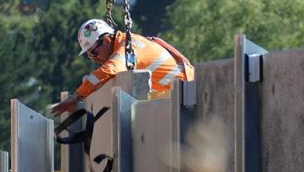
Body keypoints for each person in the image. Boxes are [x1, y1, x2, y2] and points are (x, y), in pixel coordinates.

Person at [50, 19, 195, 116]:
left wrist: (77, 97)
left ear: (106, 40)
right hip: (179, 94)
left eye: (94, 52)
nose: (95, 59)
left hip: (188, 96)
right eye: (90, 56)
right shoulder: (127, 43)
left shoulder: (127, 47)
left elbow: (109, 70)